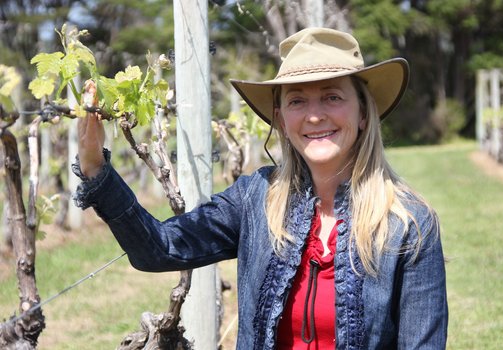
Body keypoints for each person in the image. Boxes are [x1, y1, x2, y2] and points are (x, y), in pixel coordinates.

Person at [74, 27, 448, 349]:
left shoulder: (409, 224)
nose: (314, 115)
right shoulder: (256, 198)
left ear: (363, 113)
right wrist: (96, 169)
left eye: (332, 96)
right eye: (297, 100)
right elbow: (158, 249)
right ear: (281, 120)